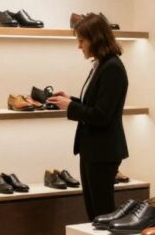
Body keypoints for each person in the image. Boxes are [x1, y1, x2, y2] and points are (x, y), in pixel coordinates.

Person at [48, 13, 129, 219]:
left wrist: (70, 107)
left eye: (81, 40)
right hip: (93, 150)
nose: (79, 46)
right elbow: (95, 104)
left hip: (103, 151)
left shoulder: (112, 68)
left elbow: (102, 115)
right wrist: (71, 100)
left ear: (95, 39)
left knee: (101, 212)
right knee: (94, 211)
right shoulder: (101, 64)